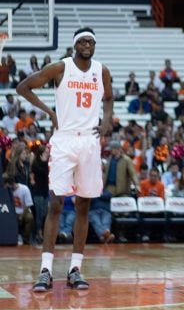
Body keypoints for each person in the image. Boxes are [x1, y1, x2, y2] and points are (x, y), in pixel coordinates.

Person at [17, 27, 114, 292]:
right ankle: (45, 270)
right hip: (65, 139)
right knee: (56, 203)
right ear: (74, 45)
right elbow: (23, 87)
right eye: (82, 41)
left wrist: (106, 122)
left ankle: (75, 269)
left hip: (90, 142)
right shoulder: (61, 68)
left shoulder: (101, 71)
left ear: (94, 46)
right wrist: (49, 111)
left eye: (91, 41)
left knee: (84, 205)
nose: (87, 44)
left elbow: (109, 97)